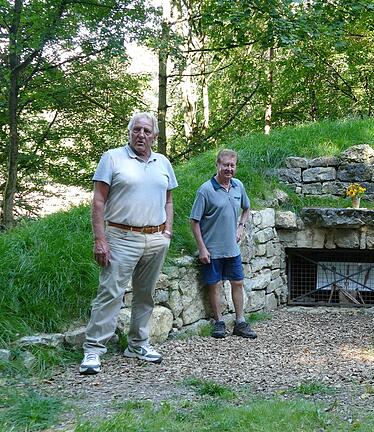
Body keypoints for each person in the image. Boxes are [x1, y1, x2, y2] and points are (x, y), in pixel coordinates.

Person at [79, 112, 177, 375]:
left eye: (146, 131)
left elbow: (168, 200)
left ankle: (138, 343)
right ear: (129, 132)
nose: (141, 135)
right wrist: (100, 239)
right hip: (121, 237)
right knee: (111, 292)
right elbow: (98, 201)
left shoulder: (162, 163)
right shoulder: (112, 158)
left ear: (155, 136)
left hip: (155, 239)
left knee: (145, 295)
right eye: (136, 130)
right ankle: (94, 349)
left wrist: (167, 231)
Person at [190, 149, 257, 339]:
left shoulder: (238, 187)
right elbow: (194, 221)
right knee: (215, 285)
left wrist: (241, 227)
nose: (229, 169)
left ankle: (240, 322)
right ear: (217, 165)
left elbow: (246, 208)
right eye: (225, 165)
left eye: (232, 165)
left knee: (237, 282)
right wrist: (202, 248)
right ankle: (219, 322)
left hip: (232, 249)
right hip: (212, 249)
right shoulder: (205, 190)